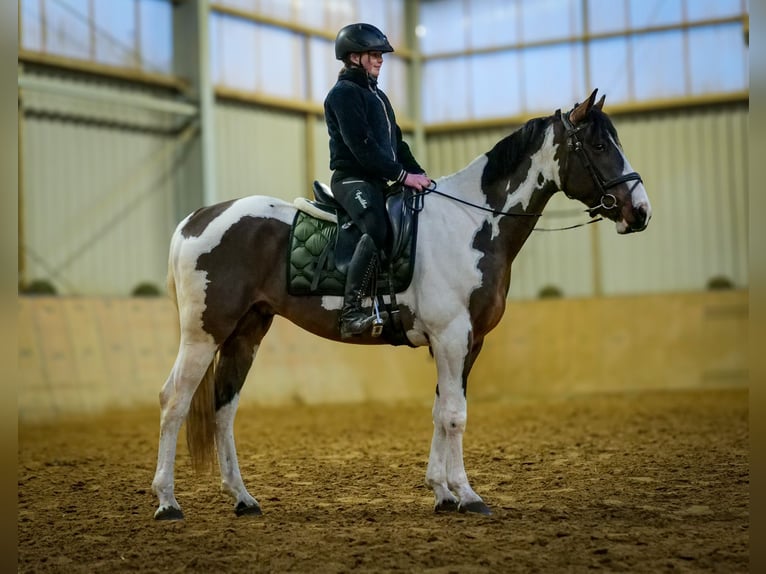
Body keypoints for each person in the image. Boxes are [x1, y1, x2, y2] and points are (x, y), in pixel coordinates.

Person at [324, 22, 431, 339]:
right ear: (354, 57)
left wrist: (420, 176)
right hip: (351, 180)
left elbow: (397, 145)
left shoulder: (379, 97)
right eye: (374, 54)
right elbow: (362, 148)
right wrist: (402, 176)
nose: (380, 60)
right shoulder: (343, 95)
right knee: (377, 226)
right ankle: (351, 310)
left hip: (379, 180)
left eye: (380, 55)